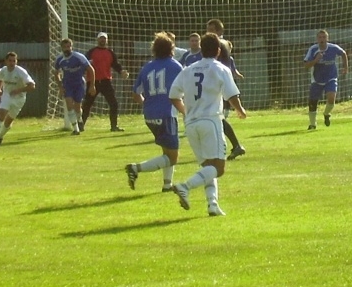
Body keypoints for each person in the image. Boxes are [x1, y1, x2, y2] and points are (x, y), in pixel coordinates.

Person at [169, 32, 247, 216]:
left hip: (191, 124)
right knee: (218, 168)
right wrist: (240, 109)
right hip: (211, 121)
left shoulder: (187, 69)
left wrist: (185, 111)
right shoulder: (220, 68)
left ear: (201, 49)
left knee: (208, 167)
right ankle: (184, 187)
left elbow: (173, 95)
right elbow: (232, 94)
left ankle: (212, 204)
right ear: (219, 51)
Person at [125, 32, 184, 192]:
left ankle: (167, 185)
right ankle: (136, 168)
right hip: (166, 114)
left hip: (149, 115)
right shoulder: (175, 66)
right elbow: (185, 88)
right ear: (171, 48)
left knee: (167, 150)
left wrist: (147, 104)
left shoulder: (147, 67)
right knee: (173, 157)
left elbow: (136, 94)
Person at [206, 18, 246, 160]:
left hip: (220, 86)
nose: (208, 32)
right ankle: (232, 146)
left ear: (219, 31)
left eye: (211, 30)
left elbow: (223, 66)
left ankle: (232, 146)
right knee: (216, 119)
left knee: (216, 119)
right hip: (218, 86)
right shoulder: (219, 45)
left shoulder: (220, 44)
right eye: (208, 29)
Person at [81, 32, 130, 132]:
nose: (102, 40)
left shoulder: (110, 52)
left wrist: (121, 72)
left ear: (107, 40)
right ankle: (80, 126)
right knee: (87, 104)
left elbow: (115, 64)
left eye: (104, 38)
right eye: (101, 38)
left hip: (106, 81)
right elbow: (84, 65)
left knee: (114, 104)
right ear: (97, 40)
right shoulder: (91, 52)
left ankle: (114, 126)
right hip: (93, 82)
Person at [0, 52, 36, 148]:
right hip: (7, 96)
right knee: (1, 115)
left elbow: (32, 86)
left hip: (19, 99)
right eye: (10, 61)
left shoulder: (21, 72)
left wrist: (19, 90)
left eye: (14, 61)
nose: (12, 63)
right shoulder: (2, 71)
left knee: (8, 121)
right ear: (6, 61)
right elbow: (0, 79)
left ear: (16, 61)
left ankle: (0, 137)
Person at [303, 29, 349, 130]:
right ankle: (312, 124)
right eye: (320, 37)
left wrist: (345, 67)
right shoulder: (313, 49)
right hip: (317, 79)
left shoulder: (333, 48)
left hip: (331, 78)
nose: (322, 39)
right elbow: (306, 65)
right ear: (317, 39)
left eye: (324, 37)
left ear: (327, 39)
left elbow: (343, 53)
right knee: (312, 102)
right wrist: (316, 60)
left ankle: (327, 113)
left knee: (331, 98)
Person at [53, 38, 96, 135]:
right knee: (69, 105)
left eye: (68, 46)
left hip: (79, 84)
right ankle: (76, 129)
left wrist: (92, 85)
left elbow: (91, 70)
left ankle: (79, 120)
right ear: (61, 48)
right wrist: (60, 86)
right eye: (64, 47)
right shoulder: (59, 59)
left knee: (77, 106)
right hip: (67, 84)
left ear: (72, 47)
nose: (67, 49)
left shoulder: (79, 57)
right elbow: (56, 73)